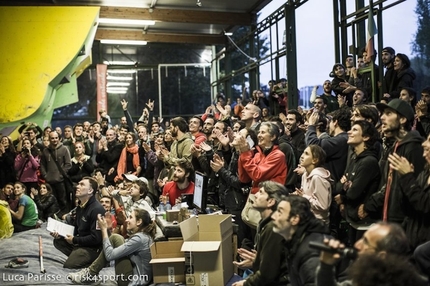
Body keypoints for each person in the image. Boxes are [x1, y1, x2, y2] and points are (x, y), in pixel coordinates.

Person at [67, 208, 156, 286]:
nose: (126, 220)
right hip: (140, 277)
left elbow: (110, 255)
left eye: (130, 217)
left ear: (139, 222)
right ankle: (90, 273)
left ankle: (89, 274)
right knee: (116, 238)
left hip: (132, 282)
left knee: (115, 238)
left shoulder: (140, 239)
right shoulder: (144, 236)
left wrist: (104, 230)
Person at [315, 222, 419, 286]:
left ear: (381, 256)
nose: (357, 245)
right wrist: (326, 265)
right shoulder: (369, 276)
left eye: (365, 242)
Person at [232, 181, 289, 286]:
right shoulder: (265, 224)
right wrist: (257, 262)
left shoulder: (274, 228)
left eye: (261, 192)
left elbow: (269, 274)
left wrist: (245, 284)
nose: (256, 195)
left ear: (271, 201)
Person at [335, 120, 381, 244]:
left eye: (355, 129)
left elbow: (353, 193)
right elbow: (337, 186)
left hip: (365, 224)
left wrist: (344, 191)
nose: (349, 132)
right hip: (353, 220)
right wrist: (346, 185)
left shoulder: (369, 162)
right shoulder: (354, 158)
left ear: (366, 137)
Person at [271, 195, 329, 286]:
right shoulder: (295, 242)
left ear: (295, 219)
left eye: (279, 212)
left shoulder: (311, 252)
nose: (273, 216)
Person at [387, 134, 430, 250]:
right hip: (412, 242)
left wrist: (407, 177)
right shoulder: (424, 174)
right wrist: (403, 178)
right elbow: (410, 207)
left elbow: (425, 205)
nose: (424, 144)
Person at [51, 177, 105, 269]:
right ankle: (78, 256)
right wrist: (60, 233)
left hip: (94, 248)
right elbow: (76, 228)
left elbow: (96, 238)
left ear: (90, 190)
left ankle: (100, 262)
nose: (77, 186)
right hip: (82, 243)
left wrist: (74, 240)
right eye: (78, 184)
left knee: (69, 265)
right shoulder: (80, 207)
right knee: (58, 241)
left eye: (82, 185)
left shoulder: (97, 209)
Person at [237, 122, 287, 195]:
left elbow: (257, 175)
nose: (259, 135)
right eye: (259, 132)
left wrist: (245, 154)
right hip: (255, 196)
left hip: (269, 197)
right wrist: (242, 153)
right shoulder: (258, 155)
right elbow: (244, 178)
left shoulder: (278, 156)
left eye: (263, 132)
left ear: (273, 137)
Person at [294, 145, 332, 223]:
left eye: (306, 154)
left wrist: (303, 196)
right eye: (303, 153)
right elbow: (305, 194)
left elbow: (323, 205)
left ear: (315, 160)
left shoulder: (317, 178)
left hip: (318, 222)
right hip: (307, 218)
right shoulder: (305, 175)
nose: (302, 156)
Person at [40, 130, 72, 215]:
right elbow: (42, 164)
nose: (54, 140)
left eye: (56, 138)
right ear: (49, 139)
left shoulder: (64, 149)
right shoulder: (45, 151)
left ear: (59, 138)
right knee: (51, 201)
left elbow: (68, 164)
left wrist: (61, 175)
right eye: (52, 138)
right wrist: (45, 175)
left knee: (62, 201)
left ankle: (64, 217)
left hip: (60, 181)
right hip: (49, 180)